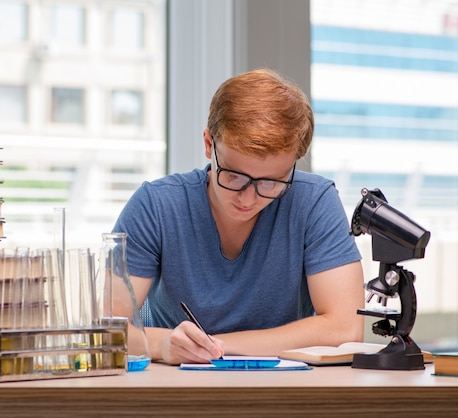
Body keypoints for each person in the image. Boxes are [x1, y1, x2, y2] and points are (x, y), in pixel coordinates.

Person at [113, 68, 364, 365]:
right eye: (233, 176)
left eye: (271, 182)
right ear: (209, 145)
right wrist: (164, 344)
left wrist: (217, 346)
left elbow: (345, 328)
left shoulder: (313, 202)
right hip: (178, 389)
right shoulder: (156, 205)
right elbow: (108, 330)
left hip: (286, 391)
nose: (248, 198)